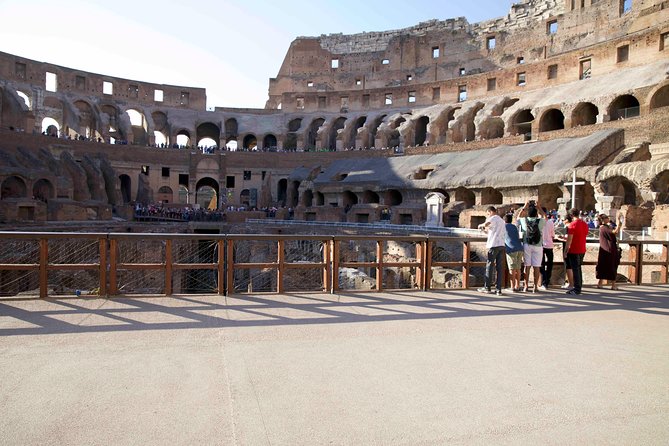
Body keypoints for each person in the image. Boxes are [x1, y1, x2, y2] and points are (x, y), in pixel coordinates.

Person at [477, 206, 506, 296]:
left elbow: (487, 223)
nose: (488, 215)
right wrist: (484, 231)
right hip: (501, 245)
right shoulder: (502, 220)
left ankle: (487, 287)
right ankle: (498, 289)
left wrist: (480, 225)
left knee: (489, 266)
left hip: (494, 245)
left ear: (490, 211)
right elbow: (493, 231)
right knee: (499, 268)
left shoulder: (493, 218)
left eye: (488, 213)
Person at [518, 199, 546, 293]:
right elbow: (545, 216)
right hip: (538, 245)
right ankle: (535, 286)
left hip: (527, 244)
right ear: (536, 213)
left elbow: (518, 217)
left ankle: (526, 286)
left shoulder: (525, 220)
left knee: (527, 266)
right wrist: (539, 207)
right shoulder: (540, 221)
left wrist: (525, 206)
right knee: (537, 266)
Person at [564, 207, 589, 295]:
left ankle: (577, 288)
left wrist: (565, 251)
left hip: (574, 249)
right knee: (579, 268)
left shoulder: (572, 225)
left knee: (575, 269)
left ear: (571, 215)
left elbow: (569, 240)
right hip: (582, 248)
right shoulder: (584, 224)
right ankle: (579, 286)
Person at [596, 213, 623, 290]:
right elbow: (615, 232)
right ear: (603, 220)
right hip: (609, 249)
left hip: (604, 249)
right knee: (612, 266)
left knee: (603, 265)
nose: (608, 219)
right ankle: (613, 285)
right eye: (607, 218)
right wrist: (619, 224)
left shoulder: (605, 227)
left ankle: (600, 283)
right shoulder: (604, 228)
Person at [504, 213, 523, 292]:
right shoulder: (514, 226)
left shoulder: (504, 227)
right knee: (518, 268)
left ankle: (512, 286)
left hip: (511, 249)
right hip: (519, 247)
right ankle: (517, 285)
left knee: (512, 268)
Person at [539, 207, 556, 290]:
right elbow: (553, 235)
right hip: (549, 244)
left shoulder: (539, 222)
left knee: (541, 264)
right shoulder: (550, 222)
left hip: (541, 245)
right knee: (549, 264)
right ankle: (547, 280)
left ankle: (544, 281)